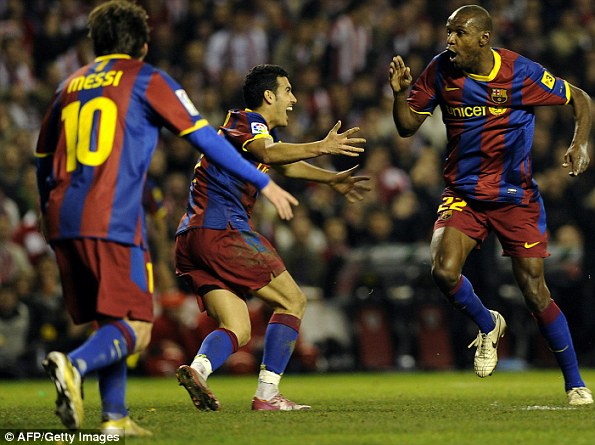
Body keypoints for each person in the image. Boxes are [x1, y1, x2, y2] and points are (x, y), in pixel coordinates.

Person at [35, 1, 298, 435]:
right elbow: (202, 138)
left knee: (111, 316)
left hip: (63, 214)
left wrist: (48, 209)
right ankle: (74, 365)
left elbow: (43, 159)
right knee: (136, 328)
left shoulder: (69, 85)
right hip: (112, 216)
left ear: (95, 42)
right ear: (142, 44)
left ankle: (114, 418)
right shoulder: (146, 78)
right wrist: (263, 180)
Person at [389, 5, 594, 405]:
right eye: (448, 32)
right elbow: (406, 126)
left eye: (459, 34)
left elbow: (580, 98)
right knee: (443, 272)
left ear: (484, 38)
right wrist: (399, 94)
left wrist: (579, 142)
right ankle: (488, 324)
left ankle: (575, 383)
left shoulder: (521, 72)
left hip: (515, 197)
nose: (450, 41)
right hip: (463, 193)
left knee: (535, 292)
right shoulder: (440, 69)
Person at [174, 64, 370, 411]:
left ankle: (198, 370)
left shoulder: (253, 136)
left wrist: (330, 179)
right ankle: (267, 395)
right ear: (269, 96)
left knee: (238, 326)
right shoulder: (247, 121)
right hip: (223, 229)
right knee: (293, 301)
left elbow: (282, 163)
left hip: (192, 238)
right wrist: (322, 146)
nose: (293, 99)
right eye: (288, 91)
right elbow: (269, 154)